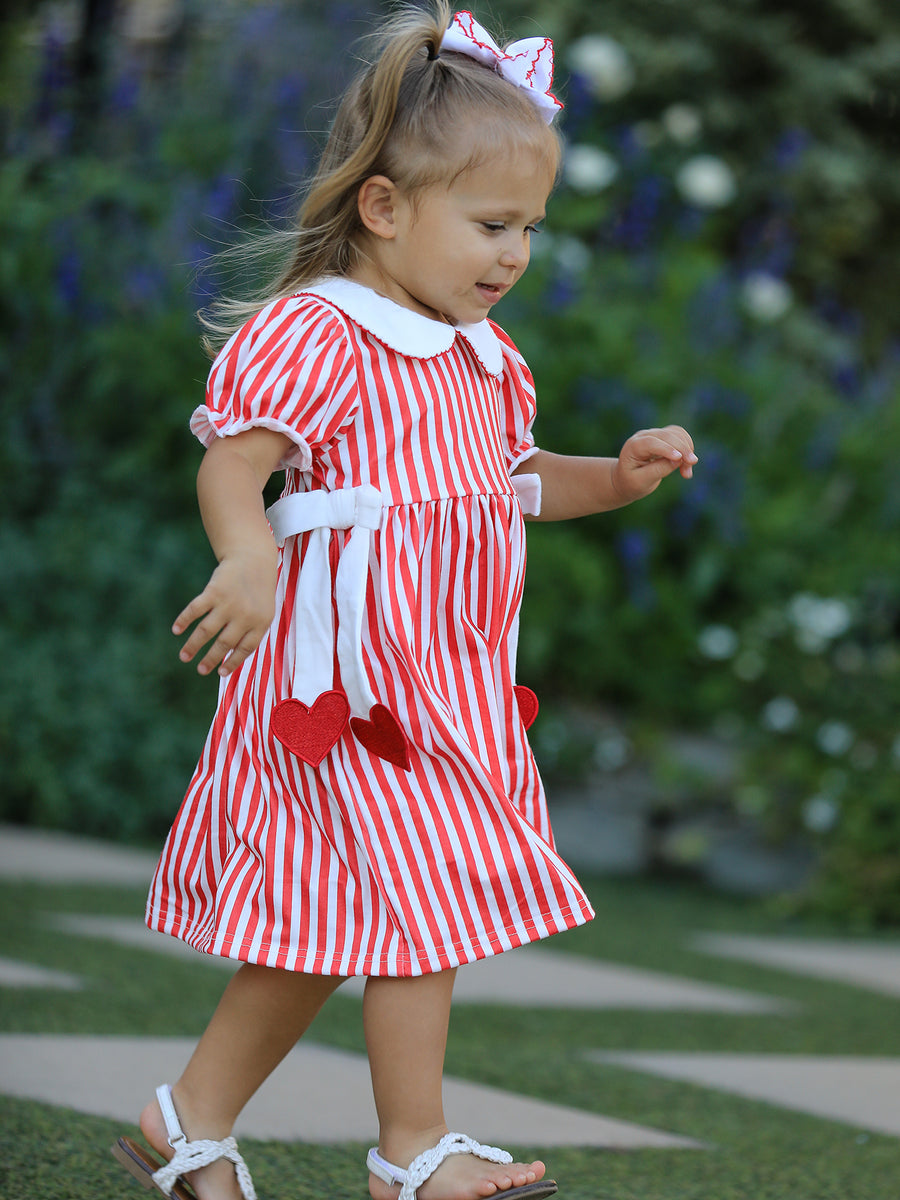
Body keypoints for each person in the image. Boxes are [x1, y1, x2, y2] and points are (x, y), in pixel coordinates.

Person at [113, 5, 698, 1200]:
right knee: (419, 904)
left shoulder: (484, 356)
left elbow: (515, 483)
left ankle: (191, 1118)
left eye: (530, 228)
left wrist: (616, 476)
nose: (513, 254)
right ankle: (411, 1151)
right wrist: (246, 557)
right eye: (491, 224)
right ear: (383, 207)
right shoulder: (321, 332)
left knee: (336, 920)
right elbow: (234, 465)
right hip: (346, 690)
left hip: (447, 687)